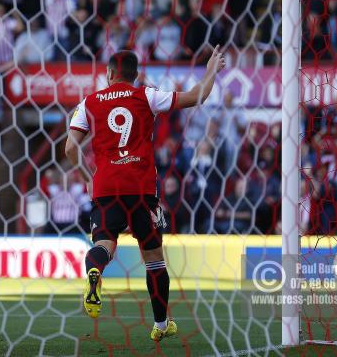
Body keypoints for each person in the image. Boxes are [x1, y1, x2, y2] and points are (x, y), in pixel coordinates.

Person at [65, 47, 226, 341]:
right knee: (153, 258)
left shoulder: (88, 103)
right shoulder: (146, 95)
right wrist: (212, 69)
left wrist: (89, 177)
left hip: (106, 188)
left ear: (110, 74)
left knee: (104, 243)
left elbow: (69, 148)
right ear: (136, 74)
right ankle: (161, 324)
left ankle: (95, 272)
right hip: (140, 188)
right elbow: (196, 97)